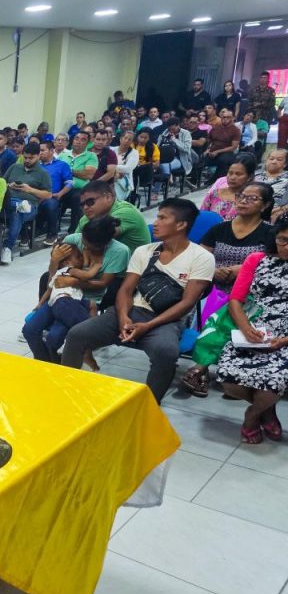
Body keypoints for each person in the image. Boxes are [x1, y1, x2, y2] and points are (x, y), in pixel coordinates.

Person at [61, 198, 215, 402]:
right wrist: (124, 317)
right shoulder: (146, 251)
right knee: (77, 334)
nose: (155, 222)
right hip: (131, 311)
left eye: (162, 217)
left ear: (181, 224)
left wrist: (148, 325)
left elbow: (187, 302)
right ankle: (64, 389)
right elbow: (126, 290)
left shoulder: (201, 257)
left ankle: (149, 405)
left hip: (165, 319)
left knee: (166, 352)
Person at [180, 183, 274, 397]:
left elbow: (270, 263)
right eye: (241, 196)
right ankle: (208, 371)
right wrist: (214, 272)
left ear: (266, 204)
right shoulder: (219, 228)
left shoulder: (269, 233)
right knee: (212, 314)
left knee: (232, 315)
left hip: (252, 293)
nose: (243, 200)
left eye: (252, 198)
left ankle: (204, 371)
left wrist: (240, 270)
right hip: (213, 288)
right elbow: (200, 257)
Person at [215, 217, 288, 443]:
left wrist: (284, 340)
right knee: (229, 381)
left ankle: (252, 415)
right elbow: (235, 299)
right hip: (253, 327)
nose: (286, 246)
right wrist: (246, 328)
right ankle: (266, 411)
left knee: (273, 381)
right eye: (283, 240)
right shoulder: (257, 260)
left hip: (284, 337)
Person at [22, 241, 100, 363]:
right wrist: (40, 304)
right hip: (61, 303)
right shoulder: (68, 269)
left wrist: (74, 280)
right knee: (29, 330)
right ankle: (45, 360)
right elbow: (49, 288)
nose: (81, 259)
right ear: (67, 262)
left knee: (54, 337)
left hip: (70, 303)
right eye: (78, 257)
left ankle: (56, 361)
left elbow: (93, 278)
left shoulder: (73, 266)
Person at [1, 143, 52, 263]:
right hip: (10, 200)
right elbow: (0, 183)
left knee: (17, 213)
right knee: (16, 210)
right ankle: (7, 247)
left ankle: (7, 247)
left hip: (30, 205)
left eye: (31, 158)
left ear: (38, 156)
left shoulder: (42, 173)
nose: (27, 160)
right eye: (26, 157)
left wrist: (30, 190)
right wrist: (9, 185)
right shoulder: (14, 167)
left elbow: (48, 194)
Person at [73, 180, 151, 254]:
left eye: (90, 202)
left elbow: (97, 237)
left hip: (134, 265)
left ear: (108, 197)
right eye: (82, 205)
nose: (85, 207)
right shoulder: (88, 216)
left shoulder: (126, 212)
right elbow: (73, 244)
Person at [38, 140, 74, 245]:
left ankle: (52, 234)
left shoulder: (62, 165)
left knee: (51, 205)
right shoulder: (35, 165)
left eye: (42, 150)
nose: (39, 153)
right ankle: (26, 234)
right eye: (38, 150)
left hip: (51, 196)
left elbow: (69, 183)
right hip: (34, 195)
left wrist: (60, 194)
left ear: (51, 151)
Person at [201, 153, 257, 221]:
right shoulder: (214, 194)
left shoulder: (252, 199)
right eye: (230, 173)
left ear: (249, 177)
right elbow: (201, 217)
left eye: (238, 174)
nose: (232, 177)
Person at [202, 109, 243, 180]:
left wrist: (217, 152)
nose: (225, 119)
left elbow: (233, 147)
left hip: (226, 152)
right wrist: (207, 150)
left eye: (228, 117)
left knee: (223, 160)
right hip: (212, 151)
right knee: (200, 159)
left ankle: (216, 180)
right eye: (223, 117)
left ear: (233, 118)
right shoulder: (215, 128)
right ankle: (194, 181)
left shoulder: (236, 130)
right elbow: (209, 141)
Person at [254, 149, 288, 222]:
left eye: (279, 160)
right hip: (251, 212)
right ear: (266, 160)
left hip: (276, 216)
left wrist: (281, 210)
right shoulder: (255, 176)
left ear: (285, 164)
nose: (274, 162)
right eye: (271, 158)